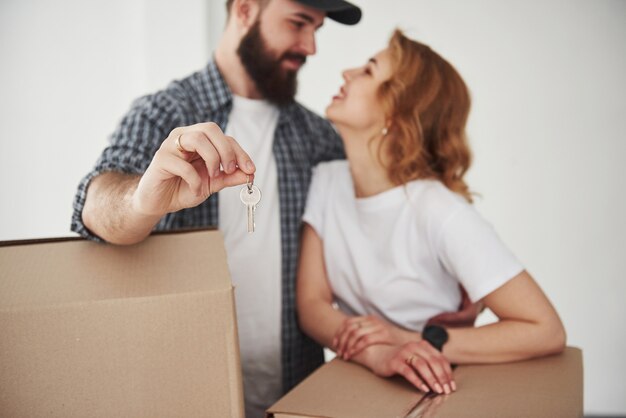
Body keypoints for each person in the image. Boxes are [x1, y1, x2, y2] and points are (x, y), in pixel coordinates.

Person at [72, 1, 360, 416]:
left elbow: (351, 248)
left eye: (317, 29)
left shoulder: (318, 135)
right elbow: (97, 206)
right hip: (188, 392)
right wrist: (141, 201)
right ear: (244, 10)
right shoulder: (163, 114)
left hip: (300, 391)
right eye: (298, 24)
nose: (311, 46)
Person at [296, 29, 566, 396]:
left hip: (438, 388)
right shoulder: (326, 181)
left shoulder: (439, 210)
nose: (347, 72)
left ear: (396, 110)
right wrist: (379, 353)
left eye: (369, 71)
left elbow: (545, 329)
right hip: (366, 380)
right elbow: (311, 304)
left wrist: (408, 339)